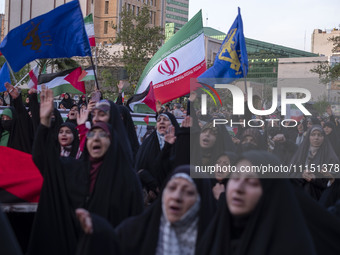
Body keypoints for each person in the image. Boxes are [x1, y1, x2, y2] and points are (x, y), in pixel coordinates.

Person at [28, 86, 143, 255]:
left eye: (102, 134)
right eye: (91, 135)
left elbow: (134, 230)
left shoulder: (127, 180)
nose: (96, 122)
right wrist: (44, 123)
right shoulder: (75, 170)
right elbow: (45, 161)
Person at [75, 165, 216, 255]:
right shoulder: (133, 232)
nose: (176, 197)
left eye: (188, 192)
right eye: (171, 188)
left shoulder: (215, 242)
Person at [197, 151, 317, 255]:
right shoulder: (214, 236)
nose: (239, 188)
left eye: (252, 182)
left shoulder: (290, 246)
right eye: (235, 178)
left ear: (269, 192)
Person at [290, 125, 339, 200]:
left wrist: (315, 178)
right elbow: (292, 173)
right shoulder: (302, 153)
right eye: (313, 135)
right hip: (300, 192)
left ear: (324, 138)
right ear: (308, 137)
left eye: (319, 135)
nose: (316, 138)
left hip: (320, 194)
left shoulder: (330, 156)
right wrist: (302, 174)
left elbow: (333, 180)